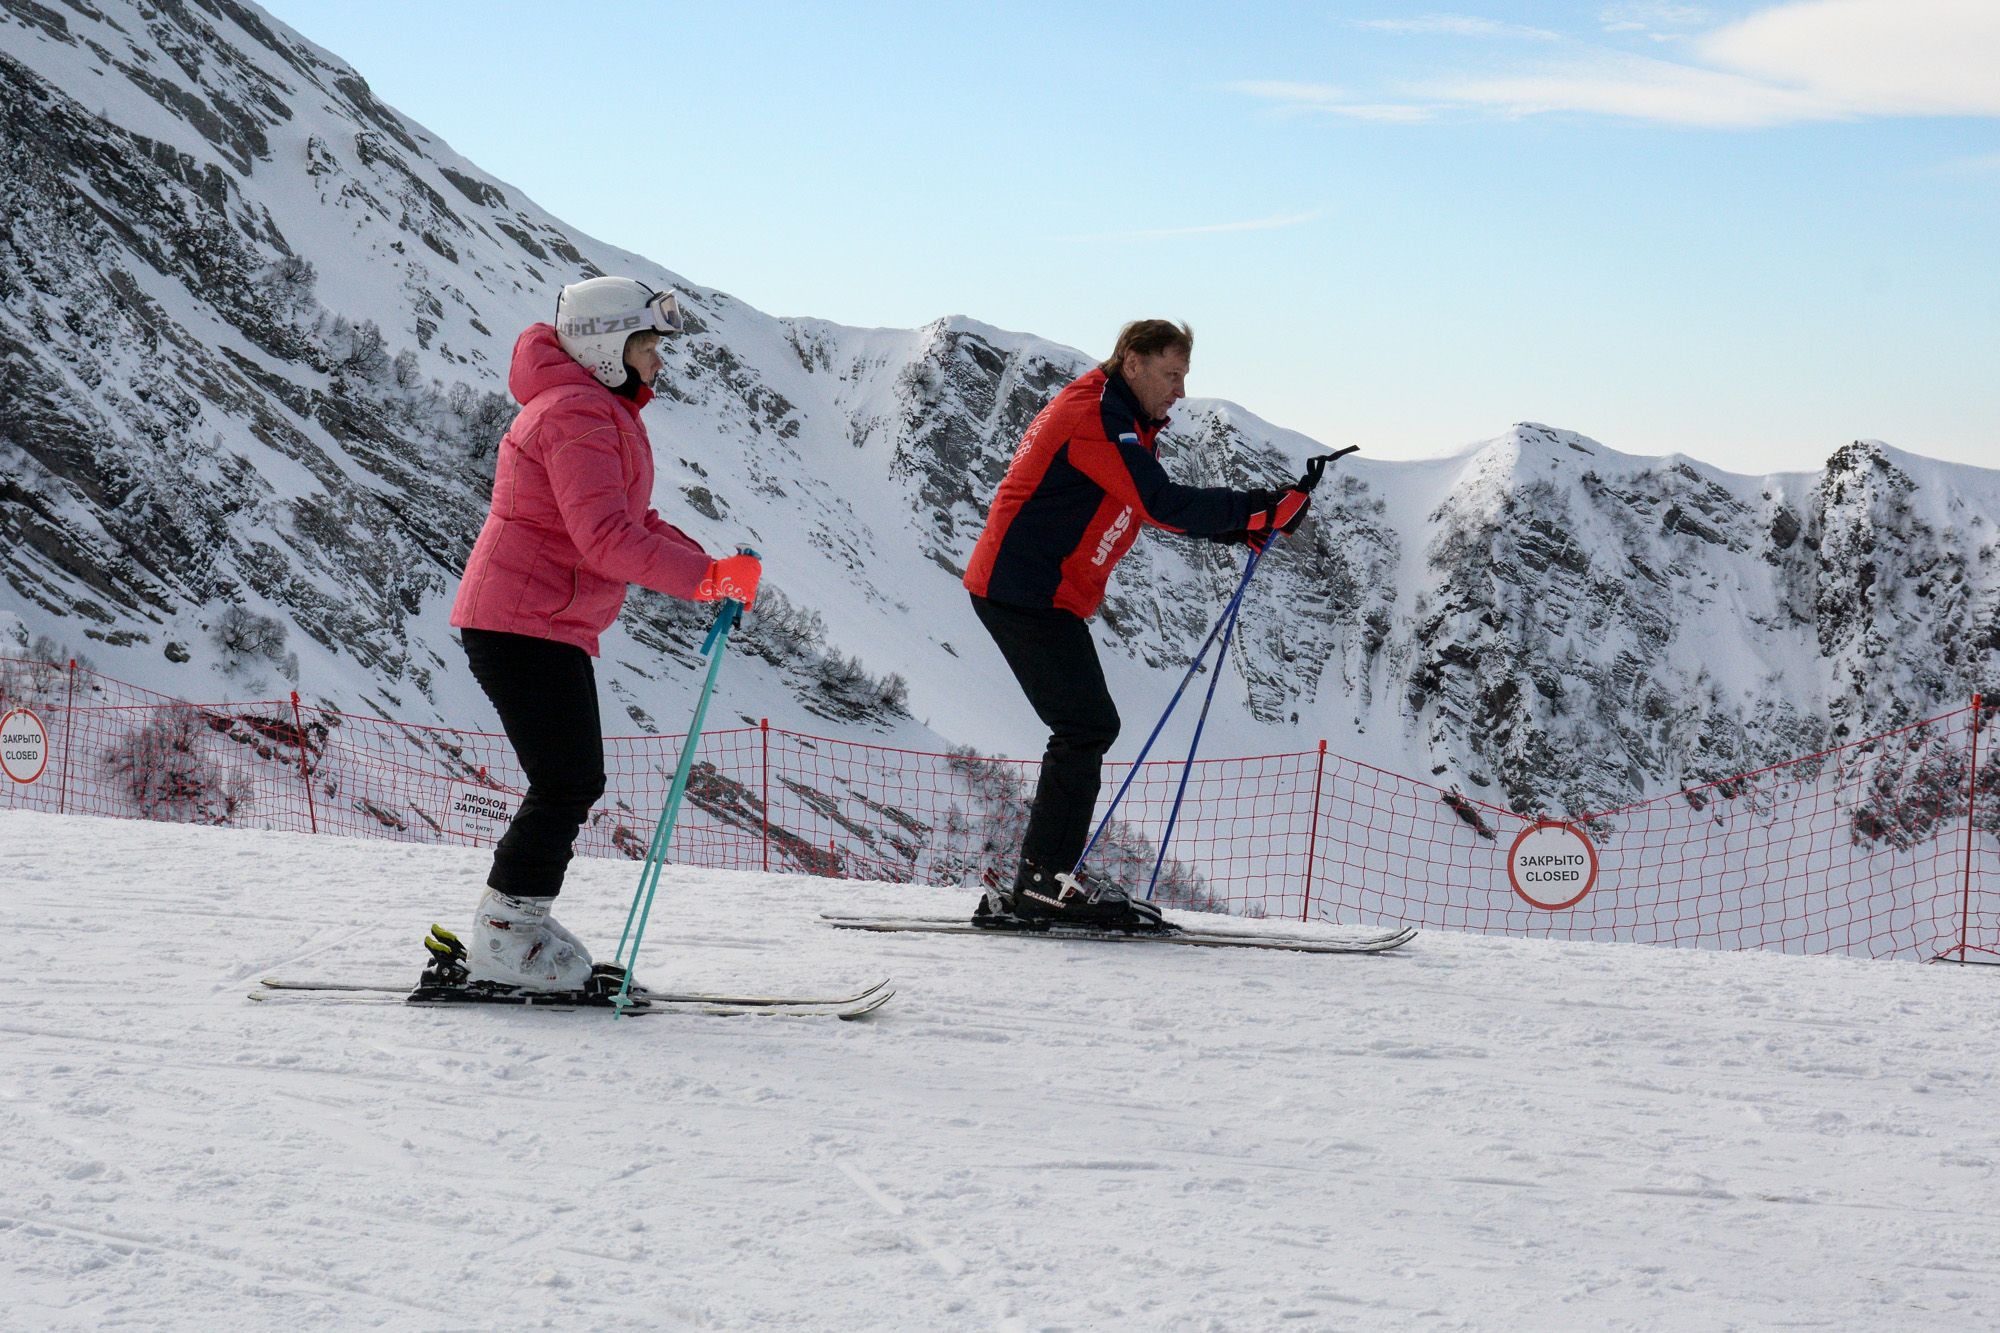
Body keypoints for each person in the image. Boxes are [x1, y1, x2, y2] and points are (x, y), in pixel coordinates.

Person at [447, 276, 762, 991]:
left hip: (538, 622)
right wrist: (709, 580)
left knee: (569, 778)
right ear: (605, 347)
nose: (658, 361)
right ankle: (504, 934)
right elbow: (607, 541)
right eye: (647, 344)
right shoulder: (579, 417)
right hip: (520, 622)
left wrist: (715, 570)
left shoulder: (592, 411)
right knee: (567, 780)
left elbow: (636, 524)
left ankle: (515, 921)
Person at [961, 319, 1313, 931]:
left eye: (1184, 377)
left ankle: (1045, 882)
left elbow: (1137, 503)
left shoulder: (1120, 417)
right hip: (1024, 591)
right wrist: (1262, 507)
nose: (1179, 391)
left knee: (1085, 726)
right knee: (1085, 726)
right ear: (1133, 364)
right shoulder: (1096, 416)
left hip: (1041, 590)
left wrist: (1241, 526)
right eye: (1172, 374)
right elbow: (1160, 502)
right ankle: (1043, 886)